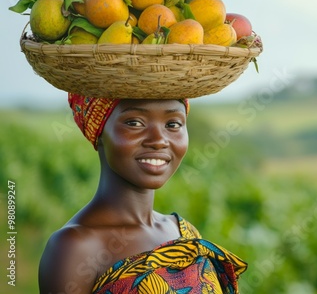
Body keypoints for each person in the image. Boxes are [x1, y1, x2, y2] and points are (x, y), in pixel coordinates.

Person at [38, 94, 247, 294]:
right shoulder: (74, 247)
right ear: (98, 131)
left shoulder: (184, 232)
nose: (158, 140)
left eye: (173, 124)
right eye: (134, 123)